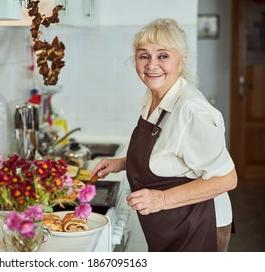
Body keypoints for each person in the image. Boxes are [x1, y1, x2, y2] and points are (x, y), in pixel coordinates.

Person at [90, 18, 238, 252]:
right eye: (144, 56)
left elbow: (227, 179)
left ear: (182, 61)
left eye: (163, 56)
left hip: (200, 224)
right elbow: (168, 156)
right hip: (172, 224)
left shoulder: (191, 110)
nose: (151, 65)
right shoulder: (155, 95)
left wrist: (162, 199)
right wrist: (121, 163)